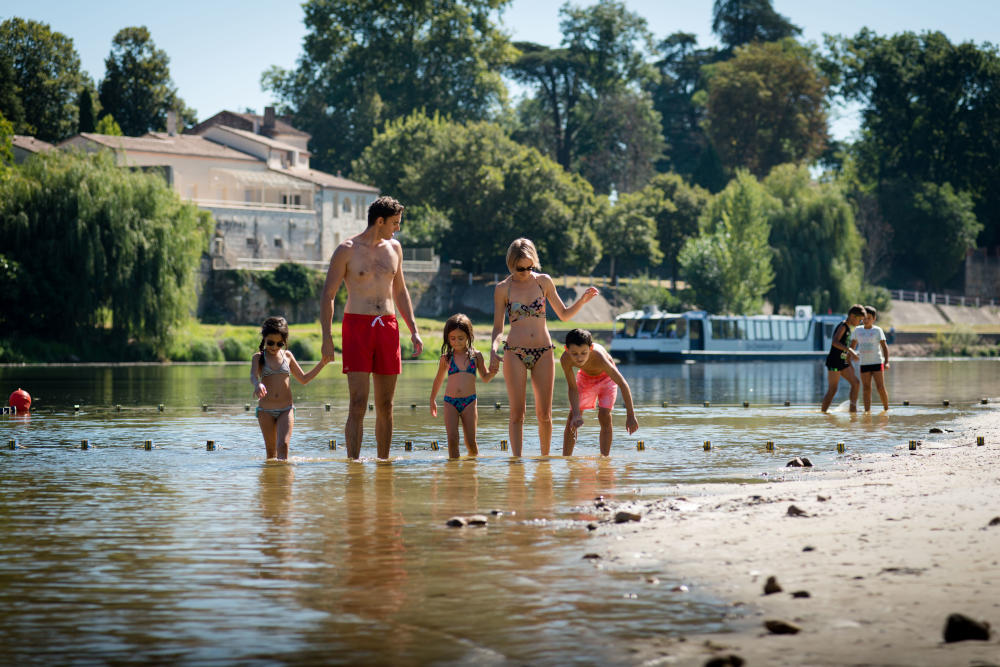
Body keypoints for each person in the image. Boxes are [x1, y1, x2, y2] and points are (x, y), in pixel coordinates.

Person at [319, 196, 423, 460]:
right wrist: (327, 338)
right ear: (380, 221)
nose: (397, 228)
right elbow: (328, 295)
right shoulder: (346, 250)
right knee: (358, 403)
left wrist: (413, 329)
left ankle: (383, 464)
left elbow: (400, 291)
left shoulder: (395, 248)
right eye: (395, 223)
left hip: (387, 326)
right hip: (357, 326)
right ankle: (353, 463)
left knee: (386, 405)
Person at [489, 238, 600, 456]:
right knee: (517, 414)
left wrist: (582, 301)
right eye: (520, 268)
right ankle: (517, 463)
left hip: (544, 351)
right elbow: (497, 328)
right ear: (511, 264)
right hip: (515, 352)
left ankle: (545, 463)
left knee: (545, 415)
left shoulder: (544, 282)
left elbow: (564, 315)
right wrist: (493, 349)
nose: (525, 272)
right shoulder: (503, 288)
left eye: (530, 267)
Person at [251, 316, 331, 460]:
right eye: (270, 343)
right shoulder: (258, 357)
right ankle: (271, 476)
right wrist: (257, 384)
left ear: (284, 342)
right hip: (265, 411)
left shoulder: (287, 356)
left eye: (279, 344)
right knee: (271, 453)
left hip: (286, 410)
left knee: (283, 446)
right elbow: (253, 375)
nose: (274, 347)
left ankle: (285, 475)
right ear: (264, 339)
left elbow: (304, 379)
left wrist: (322, 363)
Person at [560, 328, 638, 456]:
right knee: (572, 418)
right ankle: (566, 459)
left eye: (584, 353)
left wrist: (630, 415)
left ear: (590, 348)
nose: (579, 358)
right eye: (574, 354)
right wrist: (576, 414)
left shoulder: (599, 357)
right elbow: (572, 388)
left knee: (604, 415)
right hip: (585, 378)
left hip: (607, 379)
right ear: (566, 349)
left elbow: (623, 384)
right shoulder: (565, 359)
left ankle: (604, 459)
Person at [429, 314, 499, 458]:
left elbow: (485, 378)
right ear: (447, 338)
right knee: (452, 439)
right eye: (452, 338)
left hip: (469, 402)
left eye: (460, 338)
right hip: (450, 402)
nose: (457, 342)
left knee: (471, 442)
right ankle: (453, 468)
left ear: (468, 336)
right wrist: (432, 399)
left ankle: (472, 467)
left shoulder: (476, 356)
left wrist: (493, 372)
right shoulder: (446, 358)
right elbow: (438, 380)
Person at [820, 304, 866, 413]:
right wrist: (850, 350)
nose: (860, 322)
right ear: (852, 316)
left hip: (843, 362)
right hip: (834, 362)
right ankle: (823, 413)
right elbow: (835, 342)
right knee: (833, 389)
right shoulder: (843, 326)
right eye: (859, 320)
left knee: (856, 383)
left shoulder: (849, 329)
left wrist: (849, 362)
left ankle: (853, 410)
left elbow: (844, 348)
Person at [852, 305, 891, 412]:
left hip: (877, 362)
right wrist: (851, 357)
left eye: (869, 318)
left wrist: (886, 362)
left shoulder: (878, 330)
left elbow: (884, 347)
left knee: (880, 387)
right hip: (864, 363)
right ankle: (867, 411)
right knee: (866, 389)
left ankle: (886, 409)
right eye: (864, 318)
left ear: (874, 318)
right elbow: (852, 346)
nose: (866, 320)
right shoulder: (857, 330)